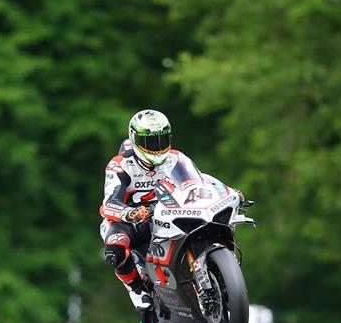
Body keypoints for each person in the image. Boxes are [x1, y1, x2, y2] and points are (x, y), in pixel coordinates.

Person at [100, 109, 246, 309]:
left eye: (162, 139)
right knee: (116, 246)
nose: (157, 147)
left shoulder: (176, 158)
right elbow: (108, 204)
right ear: (135, 139)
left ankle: (219, 270)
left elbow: (200, 181)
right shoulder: (120, 165)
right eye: (150, 142)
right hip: (130, 220)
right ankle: (135, 287)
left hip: (168, 211)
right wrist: (130, 213)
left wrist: (227, 191)